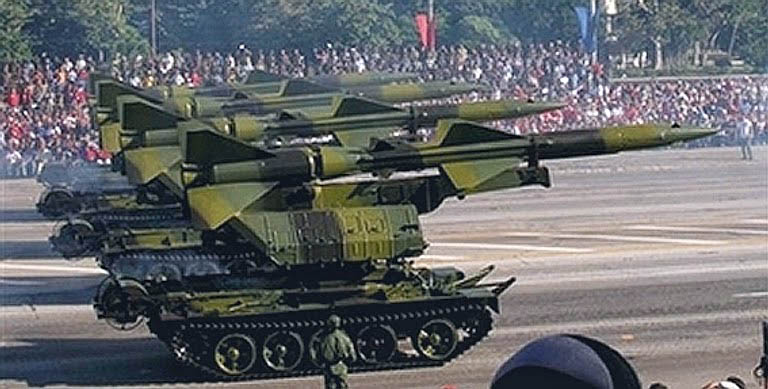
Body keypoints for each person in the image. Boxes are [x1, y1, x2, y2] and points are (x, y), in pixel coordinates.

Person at [319, 314, 356, 389]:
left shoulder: (326, 338)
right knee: (342, 385)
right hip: (341, 365)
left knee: (331, 385)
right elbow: (351, 352)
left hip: (330, 367)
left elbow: (323, 353)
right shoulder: (344, 337)